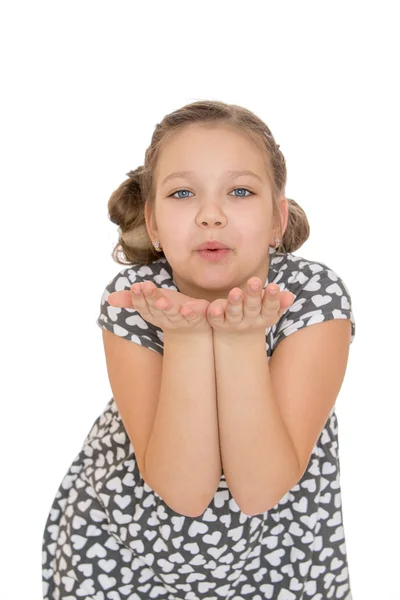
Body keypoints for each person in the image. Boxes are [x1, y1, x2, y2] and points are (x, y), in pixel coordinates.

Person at [42, 100, 356, 599]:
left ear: (278, 219)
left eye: (240, 191)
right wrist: (186, 337)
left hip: (279, 559)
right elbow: (184, 493)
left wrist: (240, 339)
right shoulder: (137, 299)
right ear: (154, 221)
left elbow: (260, 490)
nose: (211, 215)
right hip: (121, 558)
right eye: (183, 193)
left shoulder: (312, 297)